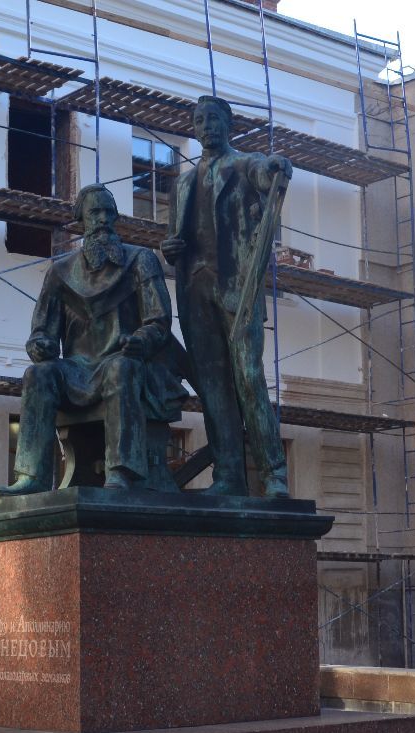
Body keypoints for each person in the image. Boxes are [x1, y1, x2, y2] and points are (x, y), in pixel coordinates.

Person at [0, 184, 186, 496]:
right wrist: (39, 347)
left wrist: (141, 340)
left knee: (121, 370)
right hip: (76, 369)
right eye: (95, 212)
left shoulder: (140, 260)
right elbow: (42, 330)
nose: (103, 219)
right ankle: (32, 476)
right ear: (82, 218)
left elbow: (159, 320)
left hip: (125, 361)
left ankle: (120, 471)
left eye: (109, 213)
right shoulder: (60, 271)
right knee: (38, 375)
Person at [160, 94, 291, 498]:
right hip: (194, 291)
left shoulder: (243, 164)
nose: (205, 126)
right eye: (199, 120)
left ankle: (273, 473)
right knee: (213, 387)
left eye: (213, 118)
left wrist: (276, 165)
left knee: (249, 378)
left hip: (237, 290)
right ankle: (229, 475)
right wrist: (171, 250)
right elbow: (176, 237)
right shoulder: (182, 183)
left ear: (227, 125)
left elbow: (266, 174)